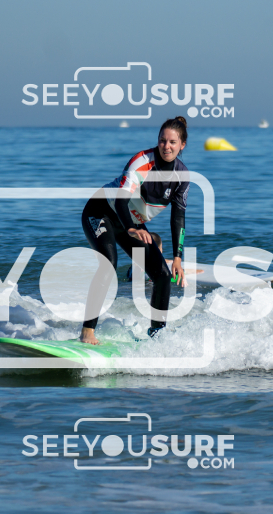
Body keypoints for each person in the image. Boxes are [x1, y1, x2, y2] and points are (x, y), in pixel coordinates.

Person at [80, 117, 191, 344]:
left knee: (163, 275)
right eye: (162, 140)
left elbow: (178, 217)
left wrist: (178, 257)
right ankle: (87, 331)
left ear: (182, 145)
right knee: (109, 263)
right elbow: (121, 200)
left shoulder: (182, 176)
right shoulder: (142, 162)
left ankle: (157, 336)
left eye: (172, 142)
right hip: (101, 211)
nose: (166, 146)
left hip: (130, 221)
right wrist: (130, 228)